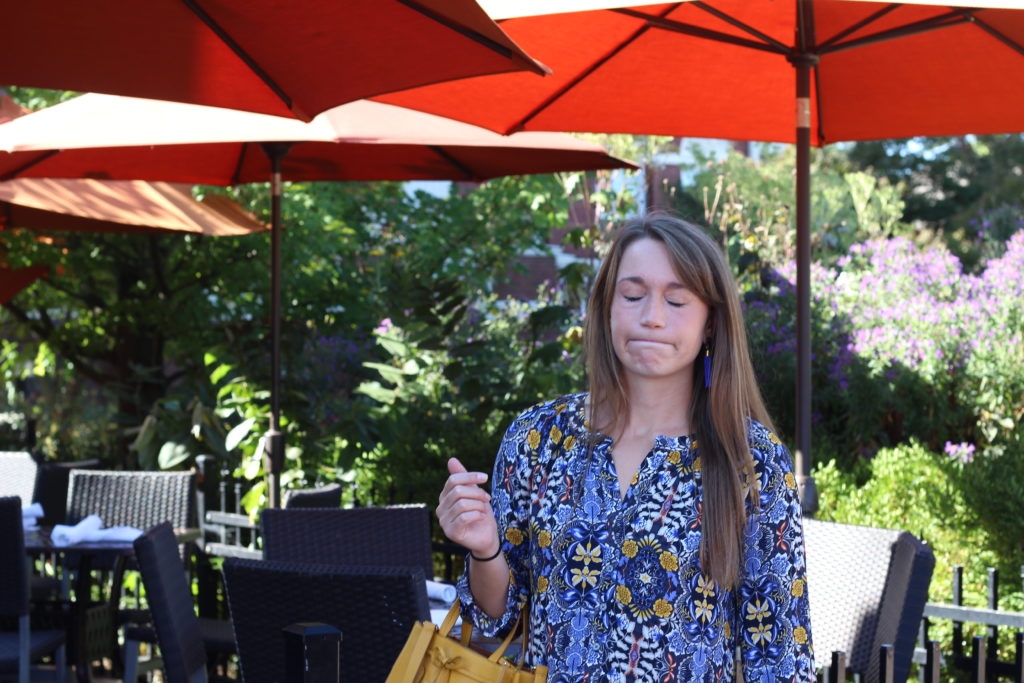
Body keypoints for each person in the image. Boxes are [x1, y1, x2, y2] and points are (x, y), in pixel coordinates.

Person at [437, 212, 815, 682]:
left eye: (677, 301)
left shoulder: (749, 458)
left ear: (711, 323)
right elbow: (498, 620)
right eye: (633, 296)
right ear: (607, 308)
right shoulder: (538, 438)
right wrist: (484, 549)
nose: (652, 317)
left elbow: (778, 654)